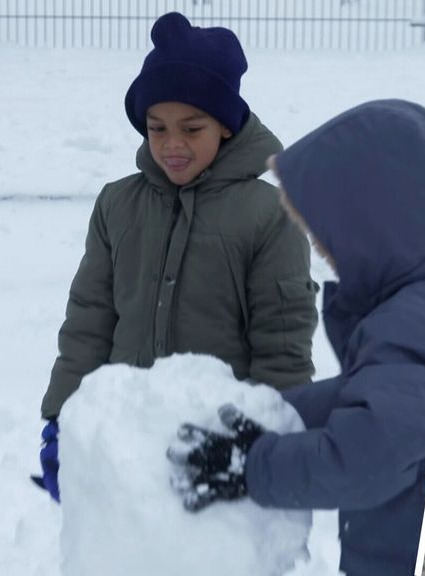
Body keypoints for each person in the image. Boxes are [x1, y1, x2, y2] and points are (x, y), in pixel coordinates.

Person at [167, 99, 425, 576]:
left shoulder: (405, 326)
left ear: (370, 223)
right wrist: (280, 413)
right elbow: (383, 399)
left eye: (324, 232)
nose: (319, 248)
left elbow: (370, 458)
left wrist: (253, 468)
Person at [33, 12, 318, 502]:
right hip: (121, 443)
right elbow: (89, 321)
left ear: (226, 126)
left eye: (191, 128)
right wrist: (63, 418)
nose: (172, 145)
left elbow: (282, 345)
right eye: (156, 127)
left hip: (217, 455)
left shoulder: (269, 215)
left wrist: (265, 447)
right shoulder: (116, 205)